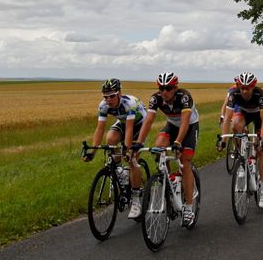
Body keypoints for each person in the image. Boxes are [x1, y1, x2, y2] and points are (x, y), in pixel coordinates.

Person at [136, 72, 200, 227]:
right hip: (172, 125)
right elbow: (149, 120)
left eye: (168, 88)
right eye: (161, 88)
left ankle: (189, 208)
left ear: (175, 88)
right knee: (159, 149)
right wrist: (138, 142)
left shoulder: (184, 96)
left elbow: (185, 122)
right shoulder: (156, 98)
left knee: (184, 161)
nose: (164, 91)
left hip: (189, 126)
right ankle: (170, 180)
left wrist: (178, 141)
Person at [83, 78, 147, 219]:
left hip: (139, 124)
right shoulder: (104, 106)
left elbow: (130, 130)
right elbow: (100, 129)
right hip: (124, 122)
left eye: (112, 96)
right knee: (110, 139)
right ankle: (120, 171)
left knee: (132, 160)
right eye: (105, 97)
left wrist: (127, 149)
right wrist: (93, 151)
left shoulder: (129, 103)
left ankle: (136, 200)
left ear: (119, 93)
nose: (109, 100)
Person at [221, 72, 263, 207]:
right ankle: (241, 154)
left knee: (260, 150)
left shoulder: (259, 95)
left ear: (253, 87)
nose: (243, 90)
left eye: (247, 88)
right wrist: (223, 140)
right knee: (235, 125)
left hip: (259, 115)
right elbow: (227, 118)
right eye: (242, 87)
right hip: (245, 113)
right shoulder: (234, 94)